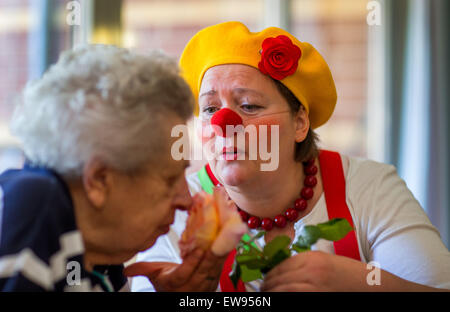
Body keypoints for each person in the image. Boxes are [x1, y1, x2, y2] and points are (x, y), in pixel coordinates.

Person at [130, 21, 450, 292]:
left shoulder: (370, 185)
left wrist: (358, 282)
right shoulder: (176, 205)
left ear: (299, 123)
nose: (223, 125)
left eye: (250, 106)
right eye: (211, 109)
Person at [0, 44, 227, 291]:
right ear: (98, 180)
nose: (186, 200)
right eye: (170, 179)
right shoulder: (31, 202)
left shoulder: (104, 258)